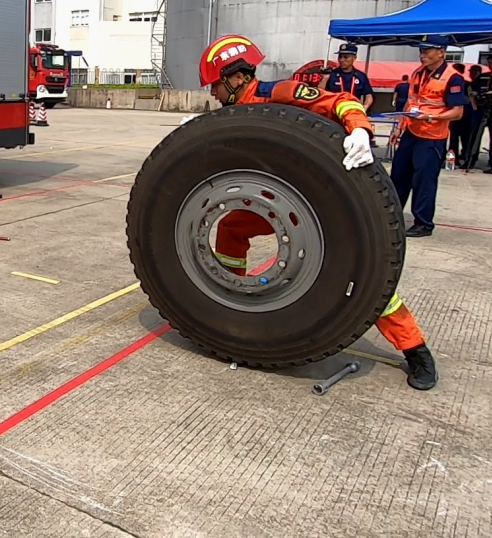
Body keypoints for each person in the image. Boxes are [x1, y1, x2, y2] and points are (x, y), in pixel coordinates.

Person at [199, 34, 438, 391]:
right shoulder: (235, 114)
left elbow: (341, 101)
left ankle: (415, 349)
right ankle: (232, 301)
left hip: (324, 205)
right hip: (278, 202)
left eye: (215, 86)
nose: (212, 94)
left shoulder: (277, 94)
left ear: (236, 79)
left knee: (366, 281)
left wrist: (359, 129)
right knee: (232, 228)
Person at [389, 37, 468, 237]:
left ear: (441, 52)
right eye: (421, 51)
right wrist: (400, 127)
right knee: (398, 175)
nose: (422, 54)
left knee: (424, 180)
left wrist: (431, 116)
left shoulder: (453, 78)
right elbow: (411, 102)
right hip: (412, 131)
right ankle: (391, 217)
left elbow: (457, 112)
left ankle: (423, 223)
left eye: (427, 51)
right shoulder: (418, 73)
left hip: (432, 136)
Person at [325, 43, 376, 110]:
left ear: (354, 58)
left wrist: (364, 108)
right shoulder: (332, 74)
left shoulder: (361, 76)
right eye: (340, 57)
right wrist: (325, 78)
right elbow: (320, 93)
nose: (342, 60)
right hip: (334, 112)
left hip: (353, 112)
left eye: (346, 57)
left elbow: (368, 95)